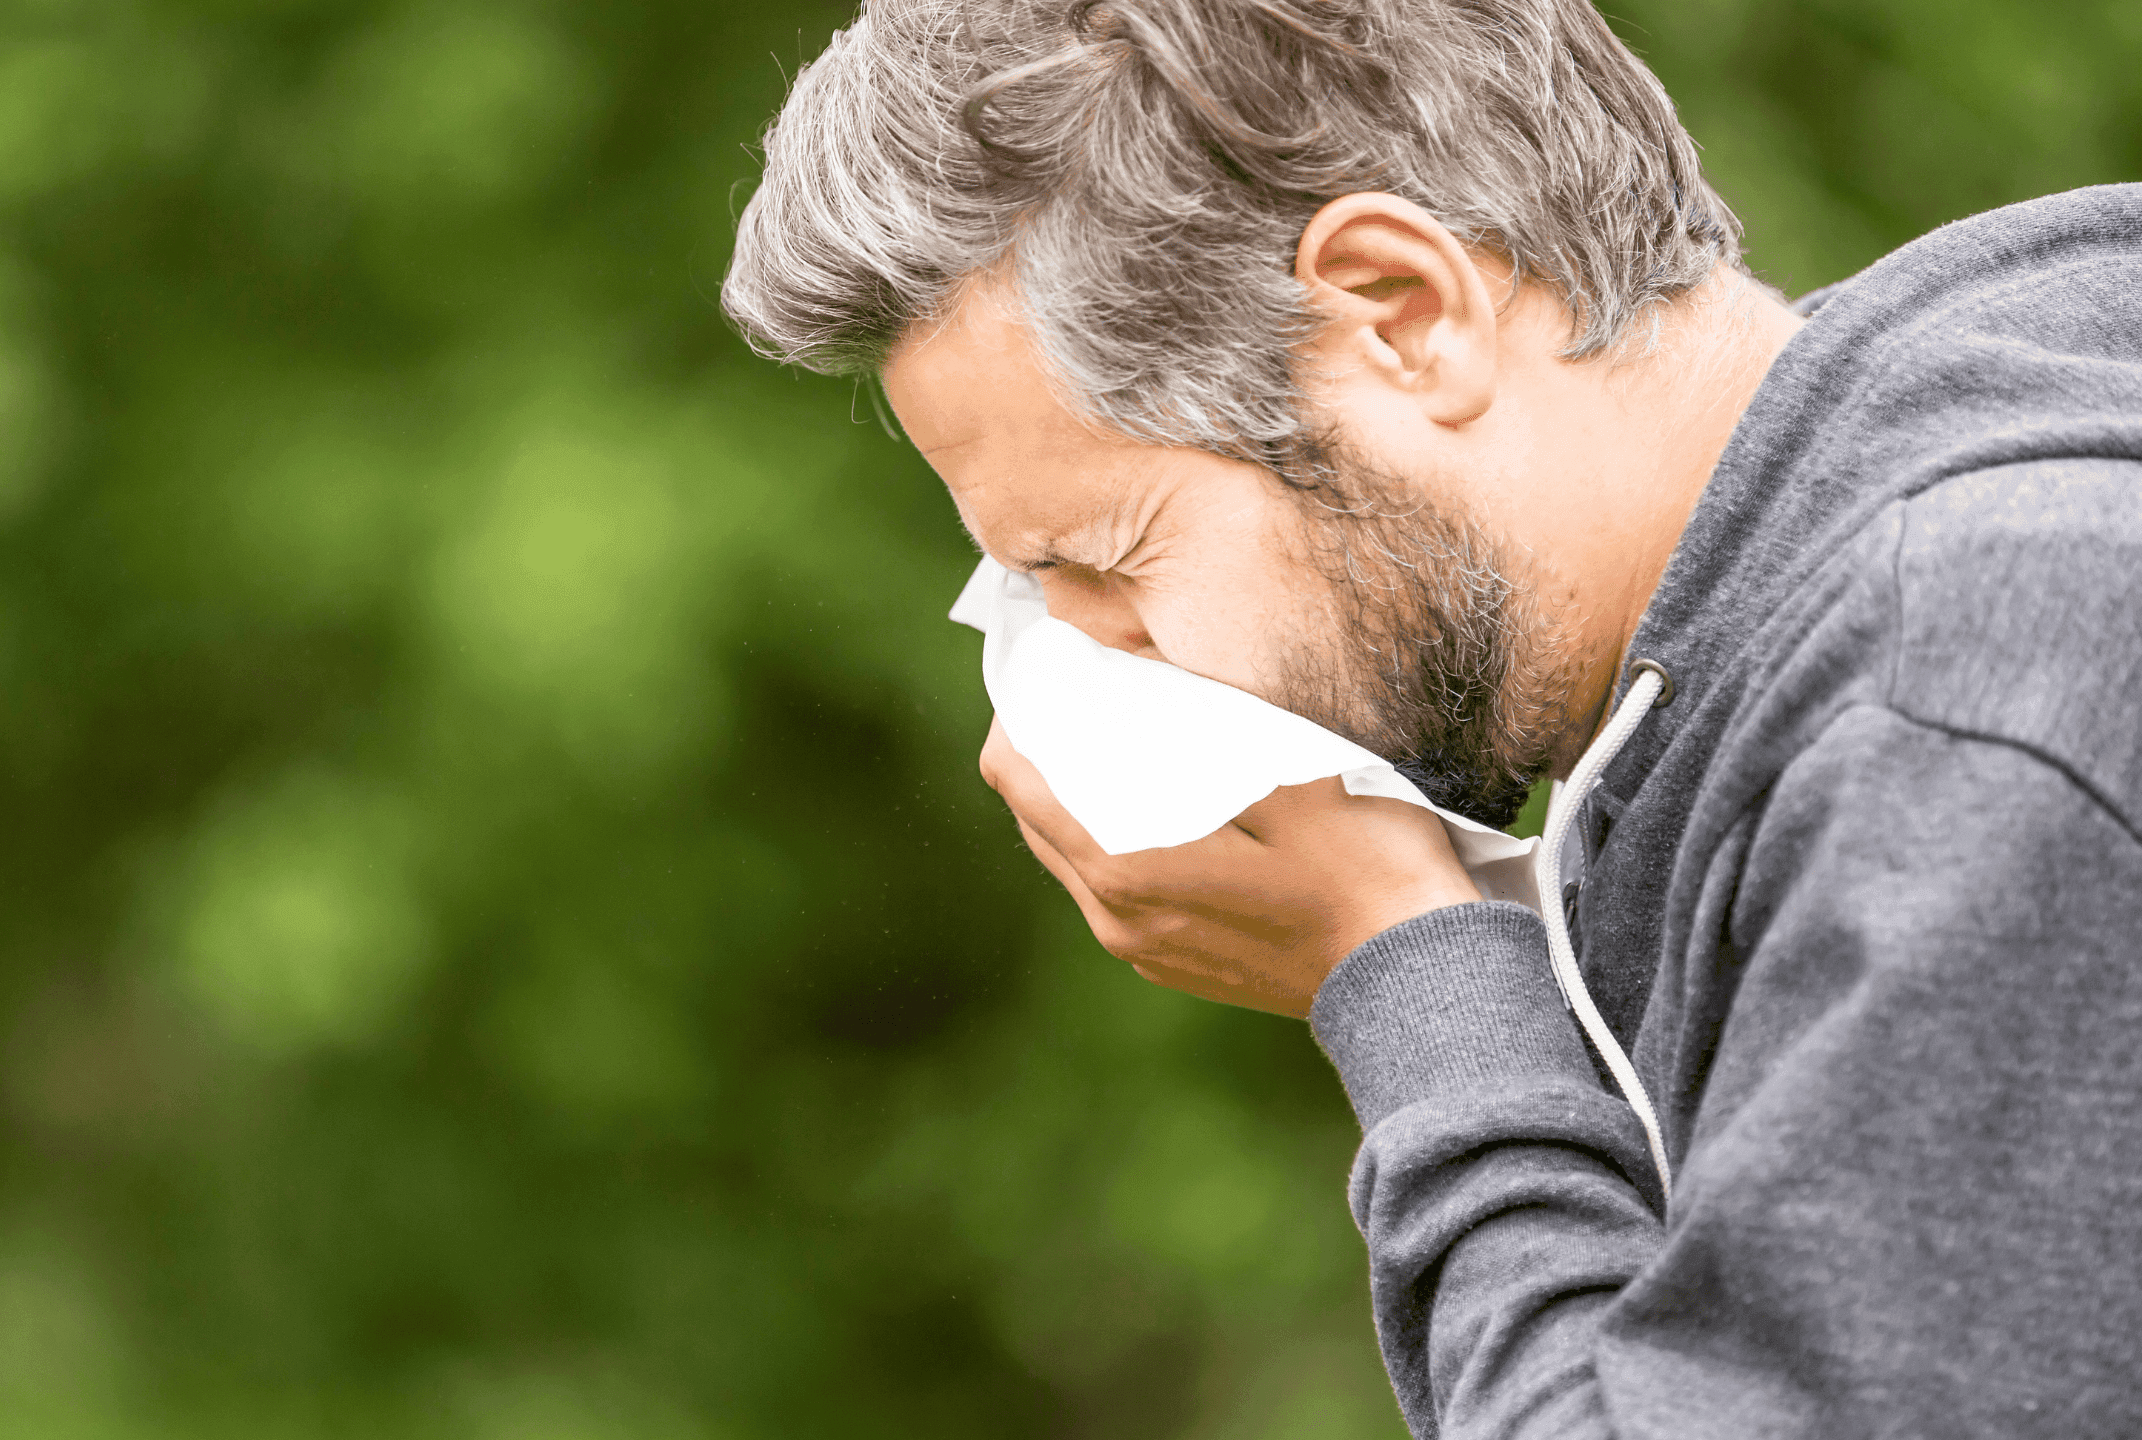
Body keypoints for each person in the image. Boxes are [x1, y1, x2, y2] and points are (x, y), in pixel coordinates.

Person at [720, 0, 2142, 1434]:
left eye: (1107, 561)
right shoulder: (1833, 598)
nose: (1100, 662)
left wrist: (1406, 970)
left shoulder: (1964, 700)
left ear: (1402, 312)